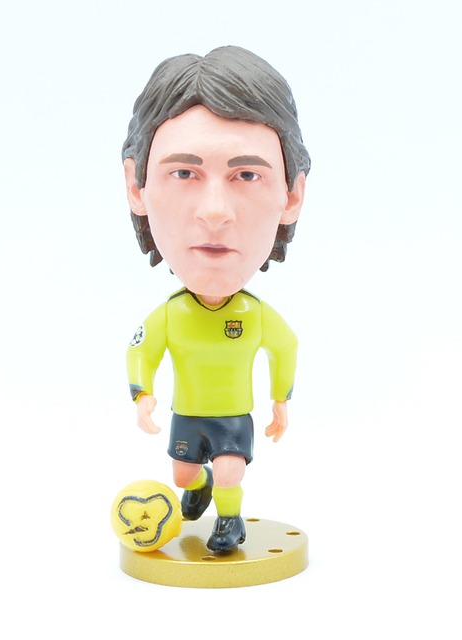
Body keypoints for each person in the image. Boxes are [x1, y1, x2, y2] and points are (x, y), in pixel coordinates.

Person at [123, 45, 310, 552]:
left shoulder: (255, 315)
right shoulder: (170, 315)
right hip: (187, 413)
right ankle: (199, 484)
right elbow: (142, 350)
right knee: (184, 476)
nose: (214, 212)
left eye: (246, 175)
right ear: (136, 186)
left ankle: (230, 522)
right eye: (184, 173)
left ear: (292, 195)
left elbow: (285, 347)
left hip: (232, 416)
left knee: (231, 469)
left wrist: (280, 400)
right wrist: (141, 394)